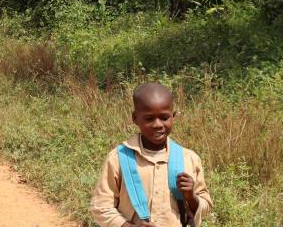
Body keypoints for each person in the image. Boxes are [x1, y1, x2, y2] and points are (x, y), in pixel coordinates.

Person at [90, 83, 212, 227]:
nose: (157, 124)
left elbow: (205, 205)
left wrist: (191, 197)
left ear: (173, 117)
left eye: (164, 117)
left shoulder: (189, 159)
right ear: (135, 118)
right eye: (149, 119)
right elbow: (101, 207)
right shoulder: (118, 158)